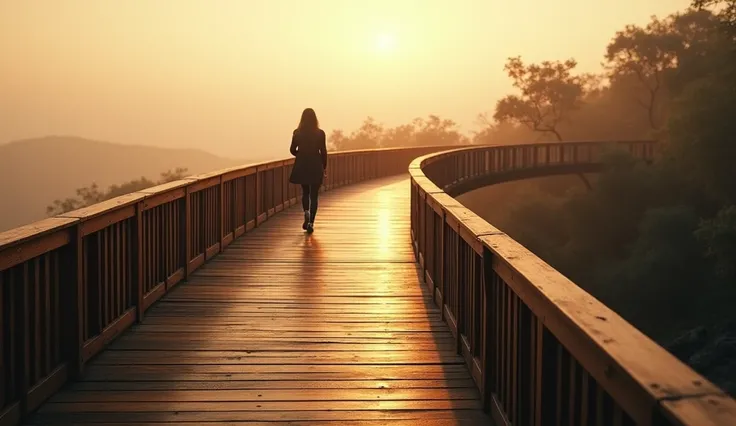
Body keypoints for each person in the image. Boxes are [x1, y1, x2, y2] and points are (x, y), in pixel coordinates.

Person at [289, 108, 327, 233]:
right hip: (315, 165)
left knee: (305, 192)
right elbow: (323, 151)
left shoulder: (297, 133)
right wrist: (324, 167)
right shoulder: (320, 133)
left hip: (302, 164)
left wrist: (300, 154)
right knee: (314, 195)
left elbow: (292, 149)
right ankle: (311, 222)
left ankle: (306, 211)